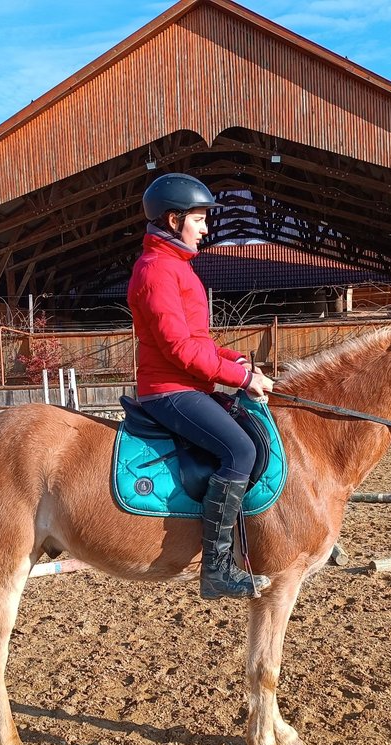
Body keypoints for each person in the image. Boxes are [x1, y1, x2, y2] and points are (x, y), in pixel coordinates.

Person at [128, 173, 274, 599]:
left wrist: (236, 360)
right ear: (174, 220)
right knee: (240, 450)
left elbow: (198, 342)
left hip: (188, 384)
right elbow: (177, 347)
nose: (206, 228)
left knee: (254, 433)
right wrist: (241, 379)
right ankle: (216, 569)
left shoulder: (175, 268)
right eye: (199, 219)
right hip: (169, 389)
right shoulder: (156, 270)